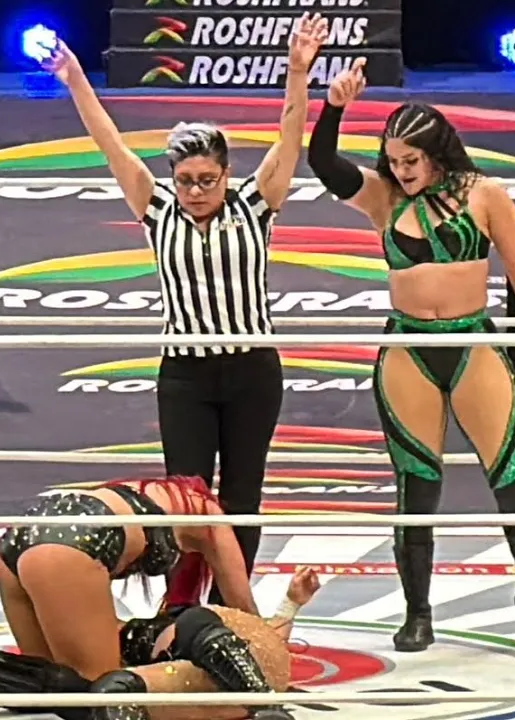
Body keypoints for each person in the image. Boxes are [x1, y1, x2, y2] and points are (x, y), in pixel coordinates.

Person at [35, 16, 329, 610]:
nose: (195, 190)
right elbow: (110, 143)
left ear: (227, 175)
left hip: (252, 371)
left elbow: (290, 137)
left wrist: (298, 71)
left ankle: (232, 609)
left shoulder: (255, 205)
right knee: (187, 501)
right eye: (186, 180)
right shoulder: (157, 209)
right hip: (185, 376)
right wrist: (74, 78)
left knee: (242, 497)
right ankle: (183, 610)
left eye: (207, 180)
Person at [306, 63, 515, 653]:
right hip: (409, 347)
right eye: (393, 160)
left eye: (410, 161)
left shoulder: (485, 194)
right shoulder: (384, 197)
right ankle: (417, 610)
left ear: (437, 153)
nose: (400, 170)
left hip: (472, 342)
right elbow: (323, 163)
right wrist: (335, 107)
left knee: (513, 474)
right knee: (417, 483)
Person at [0, 476, 262, 716]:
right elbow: (244, 607)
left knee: (47, 683)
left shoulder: (148, 493)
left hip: (19, 541)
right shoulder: (209, 516)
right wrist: (266, 646)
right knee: (104, 694)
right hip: (69, 547)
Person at [0, 566, 322, 720]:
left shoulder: (253, 661)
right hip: (182, 639)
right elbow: (266, 637)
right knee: (107, 690)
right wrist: (291, 603)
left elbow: (267, 640)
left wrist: (292, 603)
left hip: (167, 646)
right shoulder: (253, 656)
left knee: (92, 692)